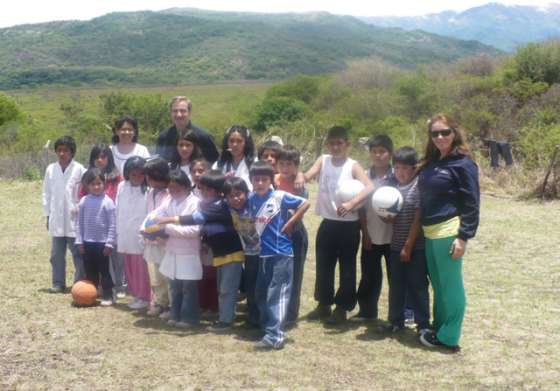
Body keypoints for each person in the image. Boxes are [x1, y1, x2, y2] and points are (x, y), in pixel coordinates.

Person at [418, 113, 480, 352]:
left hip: (449, 231)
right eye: (435, 133)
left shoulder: (463, 163)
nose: (440, 137)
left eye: (445, 132)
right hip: (430, 231)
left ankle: (450, 338)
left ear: (455, 133)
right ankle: (439, 327)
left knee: (451, 285)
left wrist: (463, 236)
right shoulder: (433, 162)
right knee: (439, 285)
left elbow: (472, 203)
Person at [156, 170, 245, 331]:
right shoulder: (210, 204)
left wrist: (169, 220)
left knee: (227, 289)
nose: (204, 192)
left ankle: (226, 322)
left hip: (231, 253)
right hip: (220, 254)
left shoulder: (219, 205)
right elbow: (208, 229)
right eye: (202, 188)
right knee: (223, 289)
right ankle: (224, 318)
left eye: (209, 189)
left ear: (219, 191)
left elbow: (197, 219)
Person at [303, 126, 374, 324]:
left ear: (347, 144)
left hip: (349, 225)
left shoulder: (353, 166)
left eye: (339, 143)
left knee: (347, 268)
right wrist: (302, 177)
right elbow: (308, 175)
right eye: (332, 143)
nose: (335, 147)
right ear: (327, 145)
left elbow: (369, 186)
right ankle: (324, 304)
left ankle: (342, 307)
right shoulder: (323, 160)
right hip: (328, 222)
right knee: (324, 266)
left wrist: (352, 203)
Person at [249, 161, 310, 349]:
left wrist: (291, 221)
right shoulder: (251, 199)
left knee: (277, 294)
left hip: (281, 254)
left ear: (270, 180)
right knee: (261, 293)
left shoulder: (279, 196)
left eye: (264, 179)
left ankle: (275, 335)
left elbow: (305, 203)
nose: (260, 183)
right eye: (256, 179)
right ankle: (267, 327)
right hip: (263, 255)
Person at [381, 147, 430, 334]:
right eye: (397, 168)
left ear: (414, 168)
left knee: (417, 285)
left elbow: (418, 218)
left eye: (405, 168)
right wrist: (388, 217)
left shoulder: (418, 186)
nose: (400, 172)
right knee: (396, 285)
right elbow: (394, 217)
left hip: (415, 247)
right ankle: (395, 321)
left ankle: (423, 324)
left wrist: (408, 246)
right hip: (396, 246)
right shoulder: (395, 188)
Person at [355, 134, 396, 321]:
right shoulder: (364, 176)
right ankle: (367, 312)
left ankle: (397, 316)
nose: (378, 155)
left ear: (390, 153)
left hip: (394, 237)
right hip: (371, 234)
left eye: (382, 152)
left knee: (396, 278)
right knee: (369, 275)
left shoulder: (398, 175)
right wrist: (365, 233)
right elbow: (361, 209)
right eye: (374, 152)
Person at [158, 169, 202, 328]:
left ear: (186, 185)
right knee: (174, 286)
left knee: (188, 288)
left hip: (188, 252)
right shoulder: (168, 200)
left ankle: (189, 317)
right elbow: (157, 217)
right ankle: (175, 314)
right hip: (171, 250)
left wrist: (168, 228)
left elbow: (195, 231)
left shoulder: (195, 203)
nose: (173, 191)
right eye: (170, 188)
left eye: (177, 188)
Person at [79, 144, 125, 297]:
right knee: (92, 266)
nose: (100, 160)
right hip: (91, 233)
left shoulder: (117, 176)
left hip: (111, 224)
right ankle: (92, 292)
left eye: (103, 156)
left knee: (115, 260)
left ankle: (117, 287)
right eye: (96, 157)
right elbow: (80, 216)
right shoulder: (87, 185)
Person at [42, 136, 85, 293]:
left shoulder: (79, 169)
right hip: (57, 218)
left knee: (78, 255)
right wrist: (47, 215)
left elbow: (84, 193)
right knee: (56, 255)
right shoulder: (50, 169)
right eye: (59, 150)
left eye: (65, 150)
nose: (62, 153)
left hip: (74, 218)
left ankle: (80, 284)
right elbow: (46, 194)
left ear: (72, 152)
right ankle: (58, 283)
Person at [275, 145, 309, 325]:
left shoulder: (299, 183)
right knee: (277, 275)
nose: (285, 168)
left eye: (289, 164)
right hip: (274, 235)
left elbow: (301, 208)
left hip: (294, 234)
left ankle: (290, 314)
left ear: (296, 165)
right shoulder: (273, 180)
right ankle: (275, 309)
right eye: (281, 164)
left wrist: (290, 222)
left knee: (294, 275)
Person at [75, 168, 117, 306]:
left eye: (99, 183)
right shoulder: (83, 201)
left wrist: (109, 243)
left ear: (104, 183)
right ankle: (91, 294)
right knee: (90, 271)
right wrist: (79, 241)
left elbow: (112, 224)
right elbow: (79, 223)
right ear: (87, 186)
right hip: (87, 243)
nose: (96, 187)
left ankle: (108, 295)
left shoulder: (108, 202)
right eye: (93, 184)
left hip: (102, 244)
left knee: (104, 271)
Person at [223, 176, 261, 327]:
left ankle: (262, 317)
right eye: (231, 196)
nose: (236, 199)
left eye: (239, 194)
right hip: (249, 253)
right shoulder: (228, 208)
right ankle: (252, 318)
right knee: (251, 286)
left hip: (264, 252)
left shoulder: (254, 202)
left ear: (247, 192)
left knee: (261, 286)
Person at [115, 156, 151, 310]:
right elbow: (118, 208)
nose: (137, 177)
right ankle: (136, 294)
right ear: (127, 173)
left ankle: (144, 296)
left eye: (140, 174)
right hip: (125, 233)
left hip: (140, 235)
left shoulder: (149, 190)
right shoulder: (122, 186)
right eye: (133, 174)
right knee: (129, 266)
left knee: (141, 268)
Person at [143, 158, 172, 316]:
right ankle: (160, 302)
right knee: (155, 275)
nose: (147, 179)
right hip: (150, 239)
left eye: (150, 175)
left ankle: (170, 305)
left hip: (164, 239)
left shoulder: (169, 193)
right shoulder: (150, 192)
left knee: (166, 273)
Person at [188, 158, 218, 313]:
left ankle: (213, 305)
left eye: (201, 171)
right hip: (192, 238)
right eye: (194, 171)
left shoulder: (215, 191)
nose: (197, 174)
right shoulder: (188, 191)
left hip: (210, 238)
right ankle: (200, 303)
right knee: (197, 271)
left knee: (211, 272)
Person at [156, 96, 219, 164]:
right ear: (170, 113)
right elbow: (159, 163)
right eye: (175, 111)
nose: (178, 114)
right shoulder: (163, 137)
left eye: (182, 111)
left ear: (189, 112)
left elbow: (214, 163)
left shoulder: (204, 137)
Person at [214, 125, 255, 190]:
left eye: (239, 141)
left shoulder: (254, 163)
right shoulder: (219, 164)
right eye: (231, 141)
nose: (234, 145)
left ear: (246, 143)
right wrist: (222, 180)